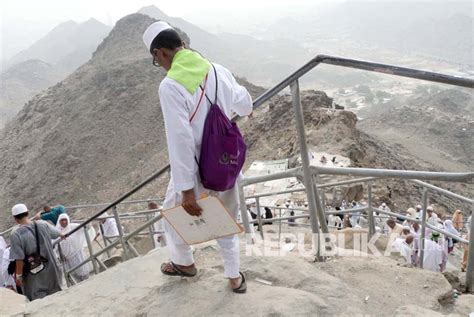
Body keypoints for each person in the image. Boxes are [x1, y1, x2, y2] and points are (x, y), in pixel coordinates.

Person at [143, 21, 252, 293]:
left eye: (156, 59)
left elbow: (179, 141)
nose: (160, 64)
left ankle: (184, 263)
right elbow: (246, 104)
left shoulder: (171, 86)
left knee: (171, 214)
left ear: (161, 53)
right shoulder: (216, 70)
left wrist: (187, 191)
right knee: (226, 217)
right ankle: (234, 277)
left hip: (197, 171)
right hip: (226, 163)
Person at [9, 203, 63, 300]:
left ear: (15, 219)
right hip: (52, 270)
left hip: (33, 276)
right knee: (57, 296)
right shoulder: (42, 224)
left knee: (38, 301)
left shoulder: (15, 235)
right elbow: (58, 234)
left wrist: (18, 277)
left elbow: (19, 259)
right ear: (28, 213)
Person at [55, 214, 90, 282]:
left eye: (65, 220)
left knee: (83, 272)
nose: (64, 222)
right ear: (59, 221)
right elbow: (55, 246)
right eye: (62, 220)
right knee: (74, 275)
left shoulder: (73, 226)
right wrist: (60, 255)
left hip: (77, 254)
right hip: (66, 257)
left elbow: (86, 227)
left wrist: (88, 221)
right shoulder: (57, 231)